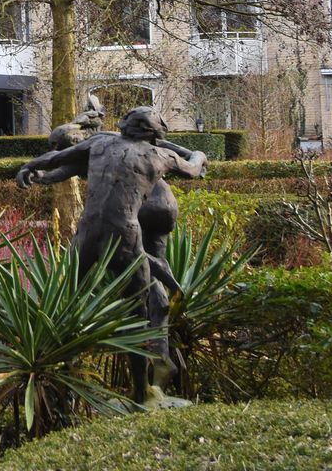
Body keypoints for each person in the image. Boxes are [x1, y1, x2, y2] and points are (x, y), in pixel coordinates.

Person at [16, 107, 206, 403]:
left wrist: (28, 167)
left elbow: (57, 158)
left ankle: (57, 380)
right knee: (137, 313)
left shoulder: (101, 142)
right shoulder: (161, 155)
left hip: (88, 232)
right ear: (154, 134)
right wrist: (200, 154)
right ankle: (141, 392)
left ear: (125, 127)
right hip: (125, 234)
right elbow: (193, 169)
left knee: (66, 300)